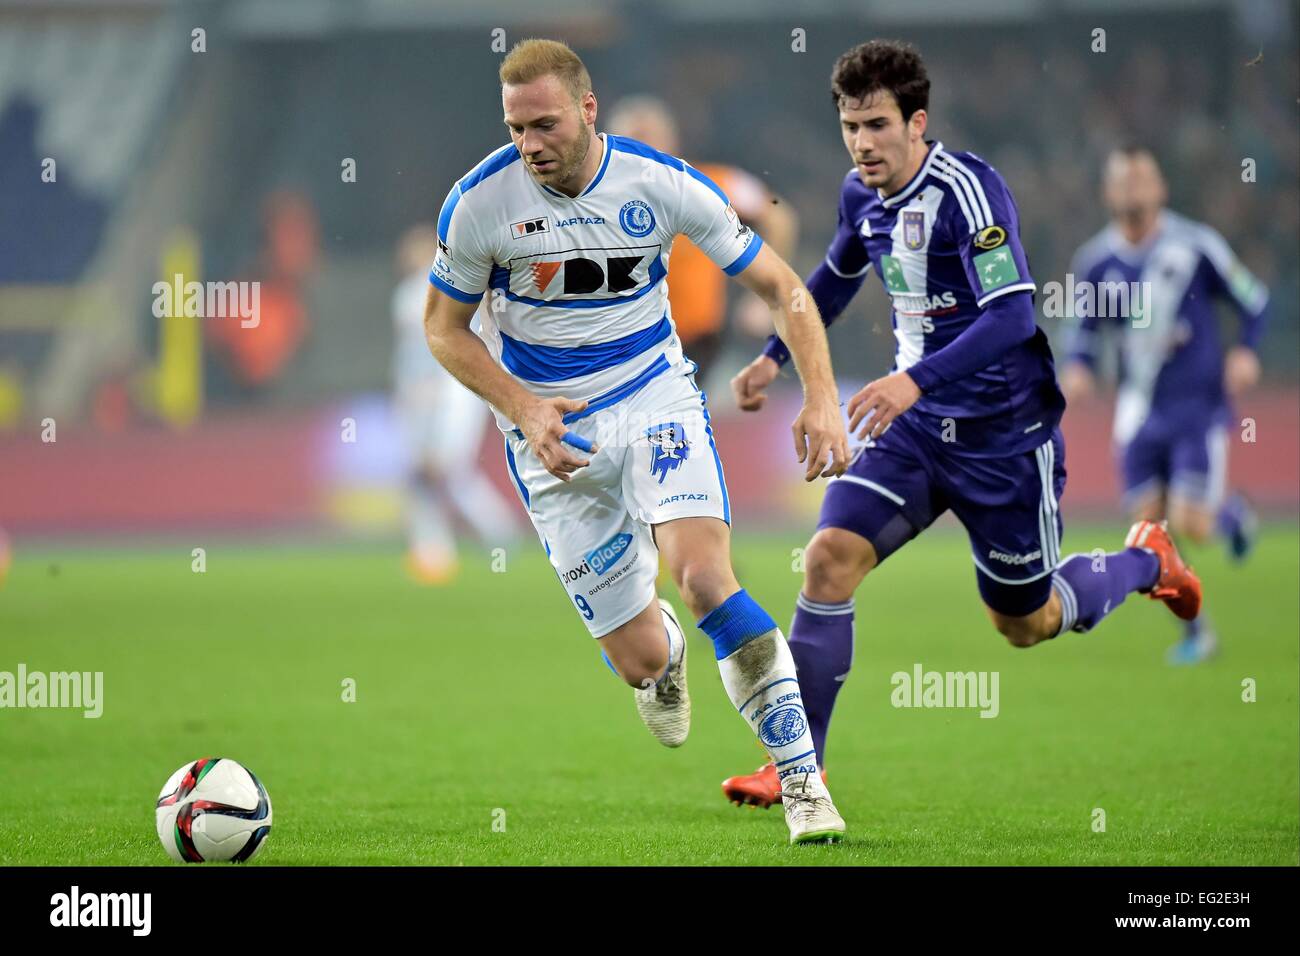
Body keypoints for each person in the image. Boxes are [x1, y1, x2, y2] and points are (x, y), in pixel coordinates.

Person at [722, 40, 1202, 808]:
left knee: (1026, 622)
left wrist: (913, 379)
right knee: (826, 562)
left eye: (877, 124)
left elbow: (1012, 315)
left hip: (1002, 438)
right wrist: (777, 355)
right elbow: (835, 280)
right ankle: (797, 767)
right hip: (913, 431)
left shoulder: (970, 192)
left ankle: (1146, 558)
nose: (862, 143)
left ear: (917, 123)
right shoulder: (858, 195)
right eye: (850, 126)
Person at [423, 38, 850, 843]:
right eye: (516, 128)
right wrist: (522, 408)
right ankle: (661, 657)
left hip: (653, 397)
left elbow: (782, 288)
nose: (529, 145)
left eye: (544, 124)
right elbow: (443, 330)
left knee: (705, 580)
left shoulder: (658, 183)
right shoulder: (479, 203)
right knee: (641, 660)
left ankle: (802, 780)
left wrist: (822, 396)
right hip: (550, 433)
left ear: (588, 110)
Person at [1060, 147, 1269, 664]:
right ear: (1109, 194)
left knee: (1191, 524)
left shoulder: (1195, 246)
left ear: (1161, 190)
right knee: (1150, 531)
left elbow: (1253, 300)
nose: (1133, 191)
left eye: (1142, 181)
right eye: (1123, 183)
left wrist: (1245, 350)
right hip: (1137, 413)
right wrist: (1079, 368)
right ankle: (1198, 632)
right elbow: (1080, 333)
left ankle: (1230, 518)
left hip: (1196, 407)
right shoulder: (1095, 263)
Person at [607, 97, 799, 384]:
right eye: (633, 140)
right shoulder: (597, 202)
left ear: (671, 141)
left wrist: (766, 296)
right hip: (623, 346)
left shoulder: (708, 183)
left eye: (650, 138)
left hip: (698, 343)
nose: (643, 150)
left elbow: (778, 215)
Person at [391, 223, 516, 583]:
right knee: (419, 474)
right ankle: (432, 552)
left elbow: (457, 339)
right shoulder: (404, 295)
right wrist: (408, 388)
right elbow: (407, 352)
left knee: (447, 471)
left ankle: (498, 532)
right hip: (416, 394)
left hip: (453, 391)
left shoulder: (452, 288)